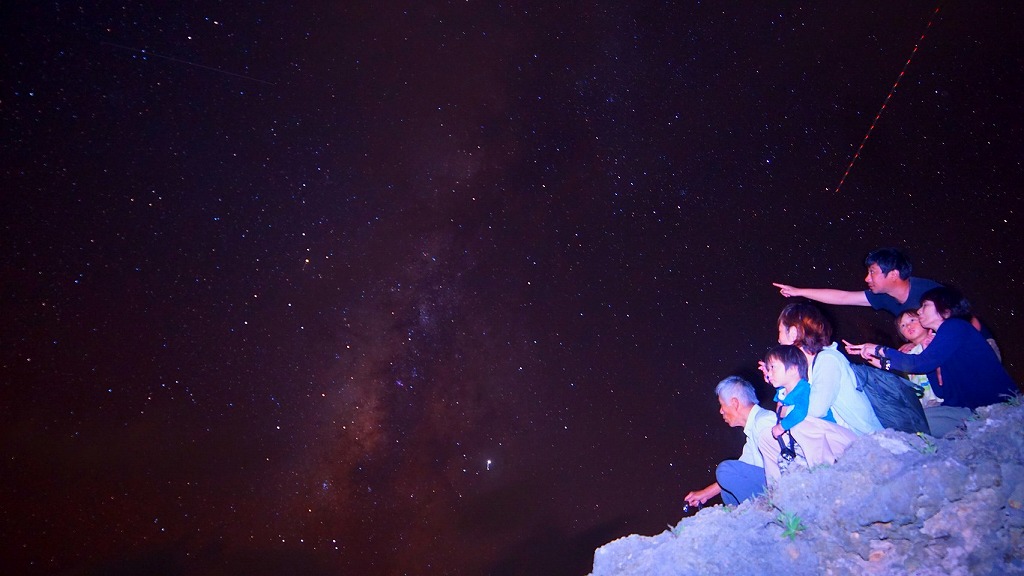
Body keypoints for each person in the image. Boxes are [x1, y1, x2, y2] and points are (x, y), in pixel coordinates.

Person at [844, 287, 1020, 436]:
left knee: (911, 425)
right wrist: (883, 363)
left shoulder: (955, 327)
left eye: (925, 306)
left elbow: (919, 364)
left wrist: (878, 349)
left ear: (945, 309)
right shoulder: (939, 342)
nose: (919, 311)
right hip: (965, 411)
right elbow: (940, 389)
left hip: (995, 407)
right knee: (909, 420)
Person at [767, 302, 882, 436]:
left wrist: (786, 410)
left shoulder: (828, 360)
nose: (778, 340)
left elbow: (816, 409)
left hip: (866, 439)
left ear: (793, 333)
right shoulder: (809, 368)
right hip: (847, 439)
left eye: (780, 332)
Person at [757, 344, 858, 482]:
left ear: (793, 369)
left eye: (773, 367)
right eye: (768, 369)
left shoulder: (803, 388)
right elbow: (780, 410)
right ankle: (777, 487)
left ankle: (824, 473)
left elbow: (800, 412)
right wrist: (771, 377)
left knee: (799, 424)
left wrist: (781, 427)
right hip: (812, 441)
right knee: (765, 437)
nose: (769, 372)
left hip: (833, 441)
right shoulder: (784, 392)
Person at [684, 376, 776, 508]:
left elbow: (781, 465)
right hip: (769, 483)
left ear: (734, 403)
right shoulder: (752, 432)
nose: (721, 411)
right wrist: (705, 493)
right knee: (727, 490)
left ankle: (764, 511)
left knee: (724, 470)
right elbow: (743, 468)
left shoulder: (765, 421)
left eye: (722, 405)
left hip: (779, 486)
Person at [773, 247, 941, 315]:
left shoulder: (931, 293)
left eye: (872, 272)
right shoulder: (884, 296)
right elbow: (843, 298)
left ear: (893, 274)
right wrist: (798, 291)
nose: (867, 278)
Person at [893, 310, 942, 408]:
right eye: (903, 325)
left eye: (912, 320)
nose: (908, 326)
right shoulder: (908, 354)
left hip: (943, 398)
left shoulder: (936, 339)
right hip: (927, 403)